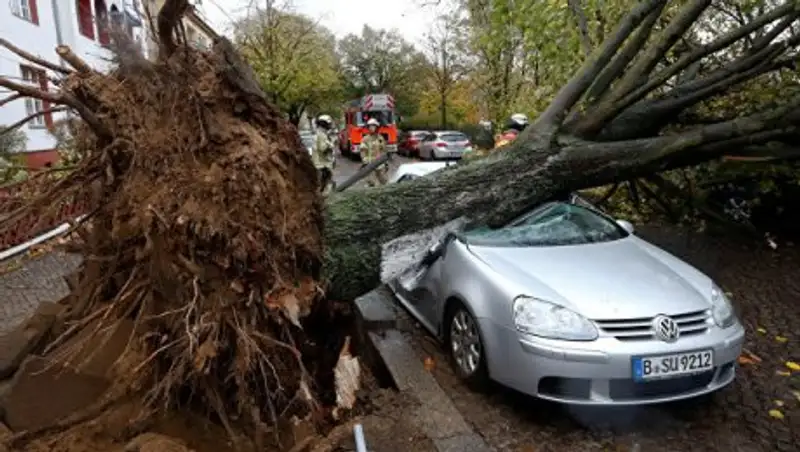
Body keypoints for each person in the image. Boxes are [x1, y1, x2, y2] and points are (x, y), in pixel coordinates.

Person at [361, 118, 388, 186]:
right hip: (370, 164)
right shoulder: (365, 139)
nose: (371, 128)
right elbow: (363, 152)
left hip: (380, 164)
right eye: (369, 126)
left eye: (373, 126)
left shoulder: (380, 138)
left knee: (384, 181)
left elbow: (383, 150)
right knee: (371, 182)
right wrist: (365, 162)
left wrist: (385, 162)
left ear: (376, 127)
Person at [313, 114, 336, 194]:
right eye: (328, 124)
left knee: (326, 184)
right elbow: (323, 149)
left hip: (323, 164)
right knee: (325, 186)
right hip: (322, 165)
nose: (329, 125)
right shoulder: (321, 135)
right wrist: (331, 144)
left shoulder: (322, 134)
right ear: (324, 124)